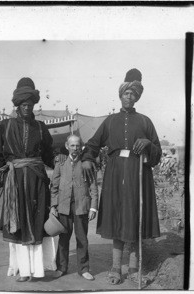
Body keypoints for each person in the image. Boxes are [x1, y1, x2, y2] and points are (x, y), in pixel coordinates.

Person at [81, 68, 162, 285]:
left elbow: (158, 152)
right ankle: (116, 268)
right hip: (116, 174)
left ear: (137, 98)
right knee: (117, 217)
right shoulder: (110, 121)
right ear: (121, 95)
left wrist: (148, 144)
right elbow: (93, 143)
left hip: (138, 174)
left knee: (135, 217)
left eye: (133, 94)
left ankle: (134, 268)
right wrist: (87, 158)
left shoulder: (145, 121)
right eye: (127, 93)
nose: (130, 97)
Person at [0, 77, 54, 282]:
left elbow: (50, 156)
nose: (27, 107)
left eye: (30, 104)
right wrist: (2, 178)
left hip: (37, 182)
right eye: (23, 104)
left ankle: (39, 270)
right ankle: (24, 270)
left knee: (36, 223)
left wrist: (59, 166)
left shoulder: (41, 128)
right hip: (15, 182)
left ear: (34, 104)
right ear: (17, 105)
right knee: (19, 226)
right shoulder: (5, 127)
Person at [50, 134, 98, 281]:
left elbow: (93, 187)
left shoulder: (86, 164)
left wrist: (93, 208)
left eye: (77, 145)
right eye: (72, 145)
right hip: (64, 207)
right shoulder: (60, 163)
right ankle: (61, 268)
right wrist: (53, 205)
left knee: (82, 239)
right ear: (67, 146)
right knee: (63, 238)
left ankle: (83, 269)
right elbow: (54, 186)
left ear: (81, 147)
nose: (75, 148)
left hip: (81, 206)